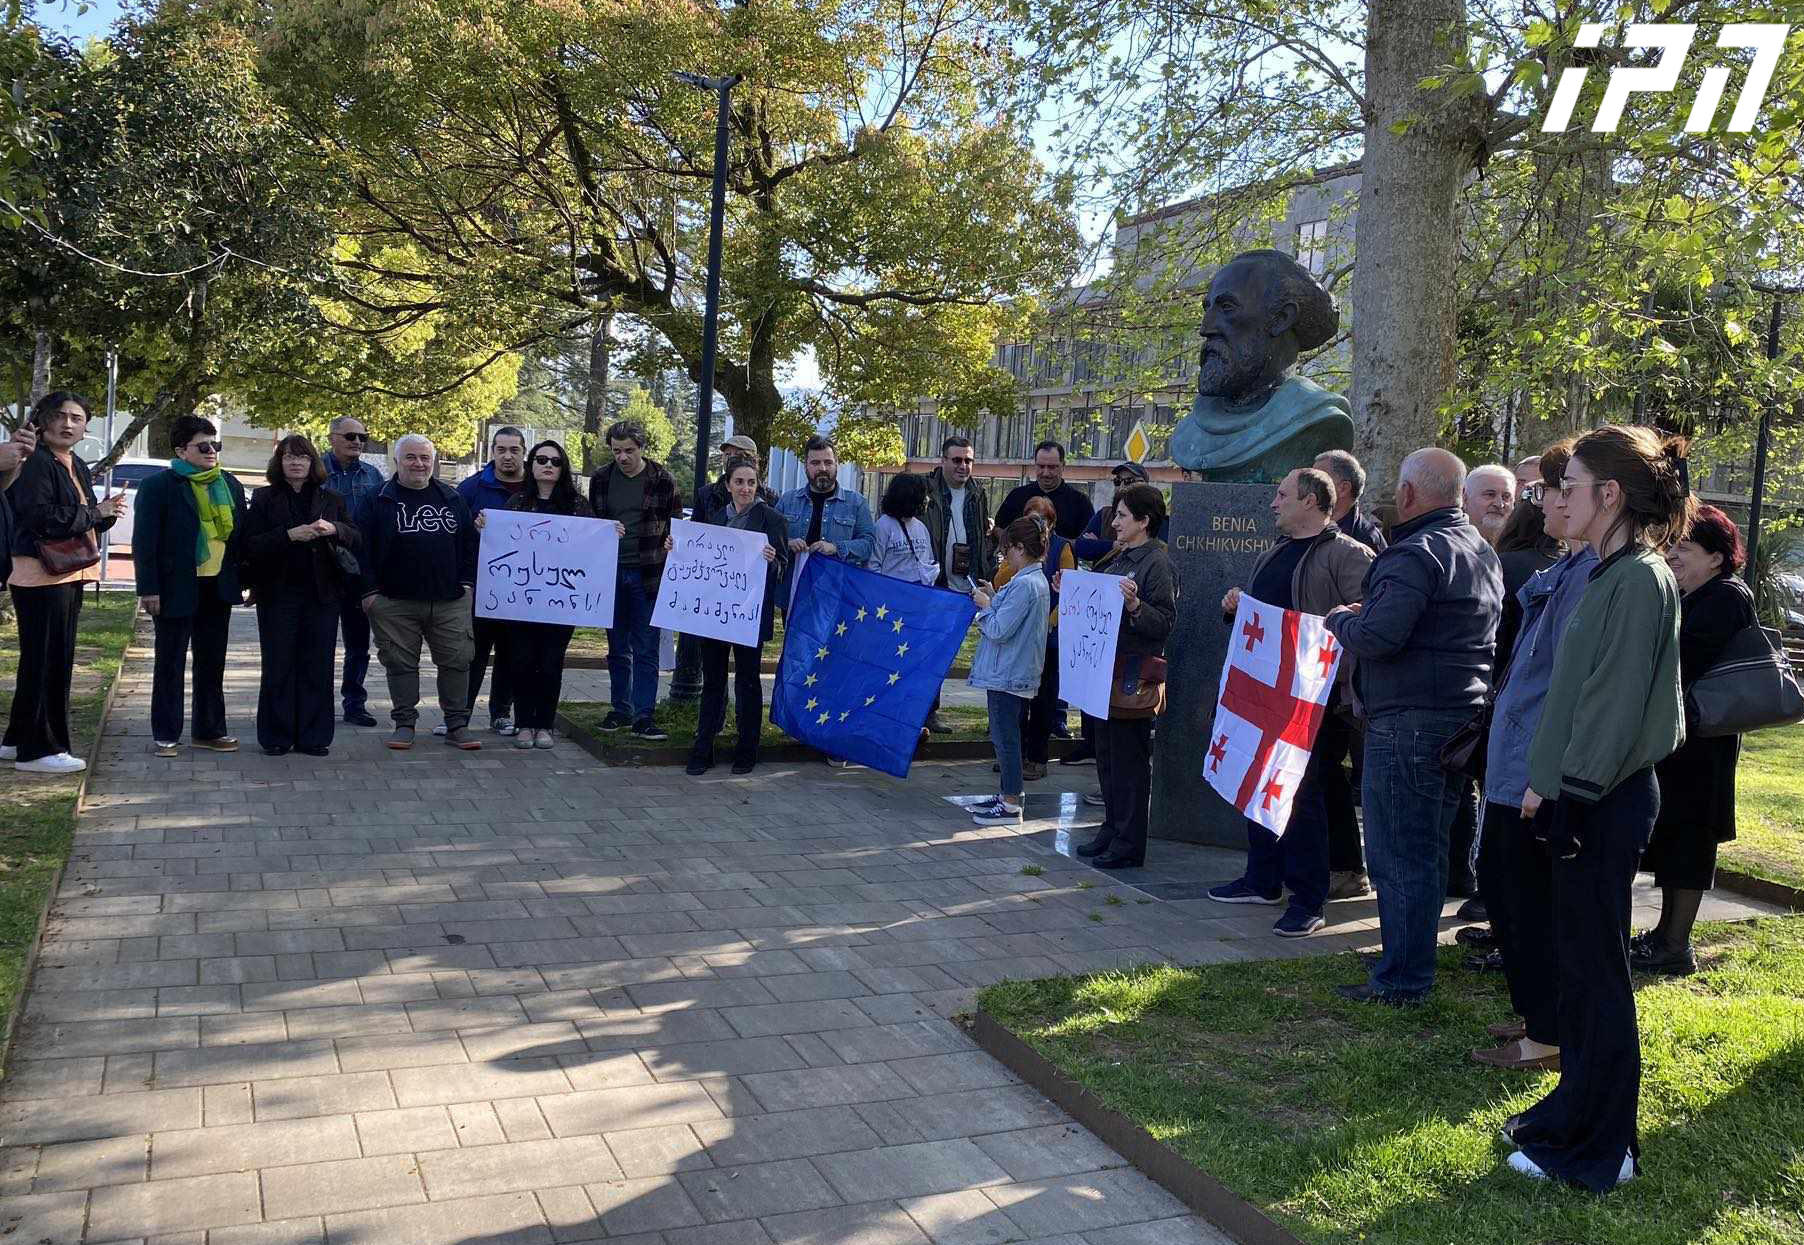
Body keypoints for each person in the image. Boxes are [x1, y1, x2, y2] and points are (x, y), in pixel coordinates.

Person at [1504, 425, 1690, 1193]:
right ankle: (1574, 1112)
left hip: (1602, 801)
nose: (1557, 498)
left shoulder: (1640, 580)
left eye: (1570, 486)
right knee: (1579, 973)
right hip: (1584, 795)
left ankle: (1605, 1147)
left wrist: (1566, 795)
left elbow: (1610, 713)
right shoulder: (1610, 573)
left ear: (1608, 496)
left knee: (1598, 977)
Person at [1324, 448, 1502, 1005]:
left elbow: (1379, 637)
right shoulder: (1476, 547)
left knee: (1399, 854)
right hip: (1458, 719)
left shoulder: (1415, 553)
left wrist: (1340, 620)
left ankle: (1403, 978)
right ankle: (1406, 959)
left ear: (1407, 493)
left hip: (1410, 723)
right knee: (1422, 850)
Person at [1207, 468, 1374, 936]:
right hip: (1264, 697)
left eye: (1282, 495)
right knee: (1256, 779)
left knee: (1303, 797)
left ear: (1311, 502)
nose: (1273, 503)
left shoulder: (1348, 555)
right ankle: (1263, 879)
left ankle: (1308, 898)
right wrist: (1235, 607)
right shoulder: (1276, 552)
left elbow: (1369, 619)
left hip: (1315, 701)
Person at [1470, 440, 1590, 1072]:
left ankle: (1547, 1032)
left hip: (1536, 769)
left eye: (1549, 488)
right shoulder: (1568, 568)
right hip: (1514, 759)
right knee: (1504, 887)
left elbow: (1569, 685)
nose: (1537, 501)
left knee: (1524, 894)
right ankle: (1536, 1012)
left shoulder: (1599, 575)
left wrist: (1545, 774)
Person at [1635, 504, 1756, 977]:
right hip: (1685, 742)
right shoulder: (1698, 594)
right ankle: (1664, 935)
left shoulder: (1726, 596)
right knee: (1674, 837)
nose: (1673, 556)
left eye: (1684, 547)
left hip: (1704, 747)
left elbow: (1684, 659)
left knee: (1690, 841)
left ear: (1718, 556)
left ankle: (1674, 944)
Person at [4, 393, 123, 774]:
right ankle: (40, 750)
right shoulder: (36, 462)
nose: (68, 424)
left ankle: (16, 739)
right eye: (59, 416)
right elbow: (41, 518)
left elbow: (83, 515)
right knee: (49, 661)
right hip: (40, 575)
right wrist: (93, 513)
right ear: (42, 420)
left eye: (77, 418)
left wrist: (106, 515)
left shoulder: (76, 463)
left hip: (68, 572)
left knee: (41, 659)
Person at [1070, 483, 1177, 869]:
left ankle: (1130, 840)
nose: (1113, 523)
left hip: (1130, 676)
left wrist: (1134, 605)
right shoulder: (1119, 556)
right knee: (1107, 757)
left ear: (1144, 521)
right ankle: (1112, 827)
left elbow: (1163, 622)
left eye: (1121, 516)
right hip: (1102, 671)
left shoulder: (1156, 562)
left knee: (1129, 761)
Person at [134, 415, 248, 759]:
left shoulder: (229, 483)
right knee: (169, 662)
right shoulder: (159, 486)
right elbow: (145, 542)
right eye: (203, 445)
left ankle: (209, 731)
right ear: (181, 450)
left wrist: (246, 581)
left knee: (212, 661)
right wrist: (148, 588)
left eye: (216, 445)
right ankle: (166, 734)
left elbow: (240, 540)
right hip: (174, 588)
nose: (211, 451)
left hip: (219, 586)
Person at [239, 435, 360, 757]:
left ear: (312, 463)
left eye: (302, 457)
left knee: (317, 665)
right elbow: (249, 544)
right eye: (289, 457)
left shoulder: (331, 498)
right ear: (279, 463)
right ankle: (276, 736)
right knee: (278, 664)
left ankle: (314, 736)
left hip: (322, 594)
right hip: (278, 593)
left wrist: (333, 529)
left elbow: (355, 535)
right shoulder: (264, 498)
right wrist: (288, 535)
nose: (295, 463)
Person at [361, 434, 482, 750]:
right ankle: (404, 724)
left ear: (434, 462)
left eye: (425, 458)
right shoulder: (378, 498)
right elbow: (361, 549)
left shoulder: (451, 498)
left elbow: (470, 544)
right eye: (411, 457)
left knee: (458, 661)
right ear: (397, 462)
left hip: (449, 600)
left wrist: (468, 585)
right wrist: (370, 594)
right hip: (393, 601)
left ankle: (457, 724)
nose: (419, 464)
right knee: (400, 663)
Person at [682, 458, 788, 776]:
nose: (745, 488)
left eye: (751, 483)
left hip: (749, 616)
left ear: (758, 486)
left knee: (747, 683)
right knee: (712, 683)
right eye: (739, 482)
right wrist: (676, 547)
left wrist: (772, 560)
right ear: (728, 485)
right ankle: (703, 749)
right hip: (714, 616)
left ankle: (747, 749)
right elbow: (695, 557)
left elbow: (782, 568)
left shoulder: (772, 519)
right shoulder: (715, 518)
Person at [489, 440, 593, 751]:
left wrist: (610, 534)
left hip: (561, 603)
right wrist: (486, 527)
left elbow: (593, 546)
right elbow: (500, 545)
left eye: (555, 461)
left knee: (550, 663)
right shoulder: (517, 503)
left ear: (563, 468)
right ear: (531, 465)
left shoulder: (578, 505)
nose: (548, 465)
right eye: (542, 459)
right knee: (521, 661)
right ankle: (523, 723)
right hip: (521, 602)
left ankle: (544, 723)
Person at [587, 419, 684, 740]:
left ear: (642, 447)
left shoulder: (662, 480)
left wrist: (673, 543)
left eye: (629, 450)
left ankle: (644, 714)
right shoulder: (600, 479)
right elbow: (592, 522)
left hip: (648, 574)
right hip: (610, 572)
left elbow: (677, 526)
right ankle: (620, 708)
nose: (622, 457)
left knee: (646, 648)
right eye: (616, 451)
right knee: (617, 647)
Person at [967, 516, 1052, 825]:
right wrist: (993, 595)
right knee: (1007, 736)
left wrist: (984, 606)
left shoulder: (1027, 584)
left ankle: (1011, 801)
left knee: (1006, 738)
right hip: (1012, 671)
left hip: (1008, 673)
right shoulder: (1029, 581)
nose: (1004, 556)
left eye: (1006, 550)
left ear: (1020, 547)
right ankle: (1008, 793)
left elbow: (1000, 628)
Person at [455, 426, 528, 736]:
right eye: (501, 450)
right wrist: (473, 527)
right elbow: (454, 532)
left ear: (524, 452)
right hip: (480, 586)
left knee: (511, 655)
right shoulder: (471, 488)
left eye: (514, 450)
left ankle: (501, 713)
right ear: (492, 452)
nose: (507, 456)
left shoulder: (537, 486)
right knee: (473, 654)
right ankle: (460, 714)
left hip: (524, 589)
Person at [1004, 496, 1076, 781]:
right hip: (1021, 637)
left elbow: (1069, 592)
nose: (1036, 524)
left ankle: (1037, 757)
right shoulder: (1018, 548)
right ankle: (1015, 756)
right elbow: (1000, 581)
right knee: (1016, 700)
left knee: (1044, 700)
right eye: (1030, 518)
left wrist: (1048, 624)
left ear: (1052, 523)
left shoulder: (1062, 548)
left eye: (1041, 519)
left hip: (1048, 638)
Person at [323, 416, 385, 727]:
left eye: (363, 436)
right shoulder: (316, 471)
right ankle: (317, 702)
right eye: (350, 436)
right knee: (318, 641)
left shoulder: (373, 475)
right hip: (321, 569)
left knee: (358, 644)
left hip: (358, 571)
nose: (357, 442)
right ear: (332, 437)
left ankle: (354, 703)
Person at [778, 434, 877, 580]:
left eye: (828, 462)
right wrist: (788, 543)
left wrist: (836, 548)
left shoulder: (857, 503)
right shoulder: (787, 500)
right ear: (805, 465)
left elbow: (868, 545)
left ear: (837, 464)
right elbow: (770, 538)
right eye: (815, 463)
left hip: (836, 593)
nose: (822, 468)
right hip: (790, 592)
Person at [921, 435, 992, 592]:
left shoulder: (978, 493)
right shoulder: (924, 490)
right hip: (936, 586)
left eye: (968, 461)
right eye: (957, 460)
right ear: (943, 460)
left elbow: (983, 537)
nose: (963, 466)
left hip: (971, 587)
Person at [994, 441, 1094, 540]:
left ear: (1063, 466)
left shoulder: (1081, 502)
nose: (1046, 473)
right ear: (1035, 465)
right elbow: (998, 528)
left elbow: (1086, 543)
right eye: (1041, 466)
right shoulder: (1016, 496)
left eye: (1052, 467)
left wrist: (1060, 547)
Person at [872, 472, 939, 586]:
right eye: (922, 495)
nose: (926, 499)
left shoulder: (921, 527)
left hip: (918, 595)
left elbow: (928, 560)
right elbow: (872, 565)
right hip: (891, 595)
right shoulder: (883, 526)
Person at [1314, 449, 1387, 554]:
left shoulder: (1364, 541)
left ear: (1343, 488)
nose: (1310, 487)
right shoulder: (1302, 526)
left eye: (1318, 480)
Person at [694, 435, 776, 519]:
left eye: (738, 454)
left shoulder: (769, 497)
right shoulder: (706, 494)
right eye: (727, 454)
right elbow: (695, 528)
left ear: (752, 459)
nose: (730, 458)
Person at [1464, 463, 1516, 548]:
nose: (1499, 504)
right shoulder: (1448, 544)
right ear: (1465, 499)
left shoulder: (1518, 549)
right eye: (1490, 494)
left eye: (1506, 497)